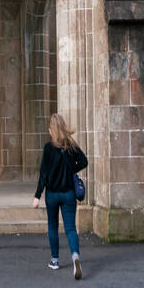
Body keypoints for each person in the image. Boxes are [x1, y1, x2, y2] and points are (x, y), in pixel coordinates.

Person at [32, 112, 88, 277]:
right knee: (70, 228)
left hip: (52, 195)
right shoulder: (71, 145)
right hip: (69, 194)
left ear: (51, 130)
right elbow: (84, 161)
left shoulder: (48, 148)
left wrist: (37, 196)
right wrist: (72, 168)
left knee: (52, 227)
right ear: (63, 128)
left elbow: (43, 174)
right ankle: (75, 257)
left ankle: (55, 260)